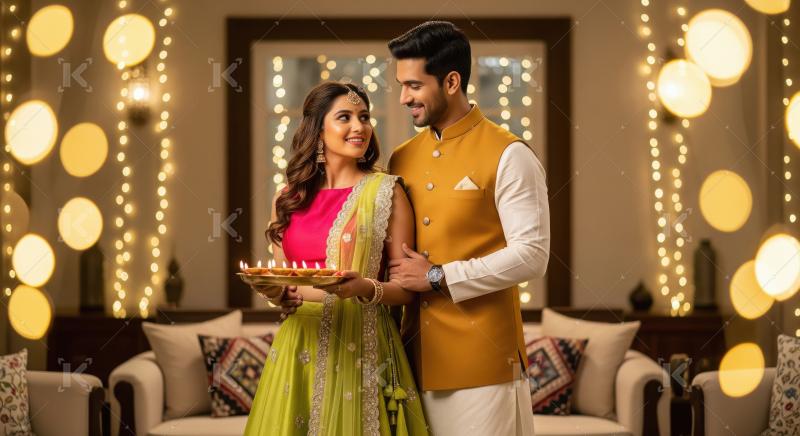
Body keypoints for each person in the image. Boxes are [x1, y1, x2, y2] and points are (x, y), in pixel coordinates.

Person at [386, 21, 551, 436]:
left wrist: (438, 276)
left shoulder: (509, 154)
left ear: (452, 81)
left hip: (484, 367)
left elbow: (532, 255)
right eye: (401, 85)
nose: (404, 97)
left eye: (413, 85)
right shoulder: (400, 159)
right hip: (411, 362)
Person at [244, 82, 429, 435]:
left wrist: (364, 287)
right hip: (299, 344)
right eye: (344, 117)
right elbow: (284, 283)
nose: (359, 127)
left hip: (362, 344)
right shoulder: (287, 198)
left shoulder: (387, 192)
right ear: (317, 129)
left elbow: (407, 290)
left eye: (364, 117)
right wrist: (275, 294)